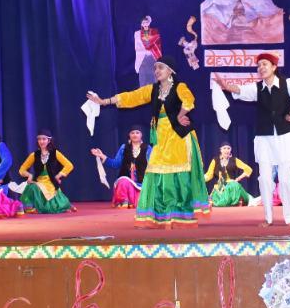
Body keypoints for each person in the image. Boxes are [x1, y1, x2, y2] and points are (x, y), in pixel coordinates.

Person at [87, 55, 209, 228]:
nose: (156, 71)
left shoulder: (180, 87)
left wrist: (181, 115)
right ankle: (160, 215)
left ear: (170, 71)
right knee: (154, 172)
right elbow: (132, 97)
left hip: (178, 136)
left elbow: (189, 101)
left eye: (160, 67)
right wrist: (104, 101)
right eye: (155, 68)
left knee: (177, 174)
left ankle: (179, 215)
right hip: (161, 138)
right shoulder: (153, 90)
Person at [216, 53, 290, 225]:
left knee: (285, 179)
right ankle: (268, 219)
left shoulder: (287, 83)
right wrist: (225, 86)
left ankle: (289, 219)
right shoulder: (257, 88)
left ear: (274, 67)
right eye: (259, 65)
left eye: (265, 64)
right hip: (265, 139)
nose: (261, 67)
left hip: (286, 137)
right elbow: (240, 90)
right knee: (265, 179)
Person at [91, 125, 153, 208]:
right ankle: (124, 202)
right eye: (132, 133)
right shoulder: (124, 148)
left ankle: (134, 202)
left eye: (137, 133)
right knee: (123, 181)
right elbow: (115, 164)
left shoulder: (147, 148)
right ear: (129, 135)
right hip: (126, 183)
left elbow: (152, 165)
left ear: (141, 135)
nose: (135, 135)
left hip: (142, 184)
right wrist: (101, 155)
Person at [18, 130, 76, 214]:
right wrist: (29, 175)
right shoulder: (34, 155)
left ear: (49, 140)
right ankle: (29, 207)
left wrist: (59, 175)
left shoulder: (55, 153)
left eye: (44, 139)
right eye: (39, 139)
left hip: (50, 182)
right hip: (38, 181)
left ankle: (61, 205)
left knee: (49, 207)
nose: (41, 141)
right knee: (31, 186)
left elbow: (69, 165)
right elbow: (22, 169)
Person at [204, 142, 254, 207]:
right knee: (219, 199)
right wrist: (200, 179)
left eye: (228, 148)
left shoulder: (234, 160)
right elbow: (209, 175)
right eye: (224, 148)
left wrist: (238, 179)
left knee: (233, 185)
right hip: (220, 186)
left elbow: (248, 169)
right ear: (221, 150)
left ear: (230, 150)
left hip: (232, 185)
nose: (226, 150)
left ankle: (235, 201)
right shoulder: (215, 160)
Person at [134, 15, 162, 87]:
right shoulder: (137, 34)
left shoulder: (154, 32)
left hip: (152, 57)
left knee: (154, 77)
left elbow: (157, 42)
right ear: (141, 24)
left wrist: (149, 45)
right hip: (143, 58)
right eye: (143, 23)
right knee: (143, 79)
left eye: (146, 22)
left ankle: (155, 92)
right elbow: (137, 47)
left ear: (149, 23)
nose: (145, 24)